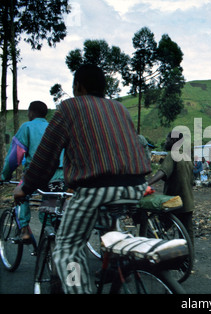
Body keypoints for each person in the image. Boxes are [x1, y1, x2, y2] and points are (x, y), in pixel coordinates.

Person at [13, 64, 151, 294]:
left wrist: (26, 188)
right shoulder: (119, 108)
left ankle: (79, 289)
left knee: (68, 249)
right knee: (111, 236)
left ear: (79, 86)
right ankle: (119, 267)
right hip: (136, 186)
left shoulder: (70, 107)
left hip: (96, 189)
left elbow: (46, 156)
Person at [1, 101, 63, 241]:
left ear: (31, 112)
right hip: (59, 176)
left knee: (20, 194)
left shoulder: (27, 127)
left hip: (38, 175)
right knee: (48, 211)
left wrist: (4, 175)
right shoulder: (54, 128)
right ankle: (49, 242)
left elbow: (14, 157)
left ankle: (24, 230)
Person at [147, 131, 195, 245]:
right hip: (187, 201)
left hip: (174, 201)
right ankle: (188, 257)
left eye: (167, 139)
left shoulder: (172, 154)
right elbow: (181, 176)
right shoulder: (186, 156)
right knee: (187, 233)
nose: (166, 142)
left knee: (158, 228)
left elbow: (162, 173)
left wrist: (147, 183)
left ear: (174, 141)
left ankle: (154, 250)